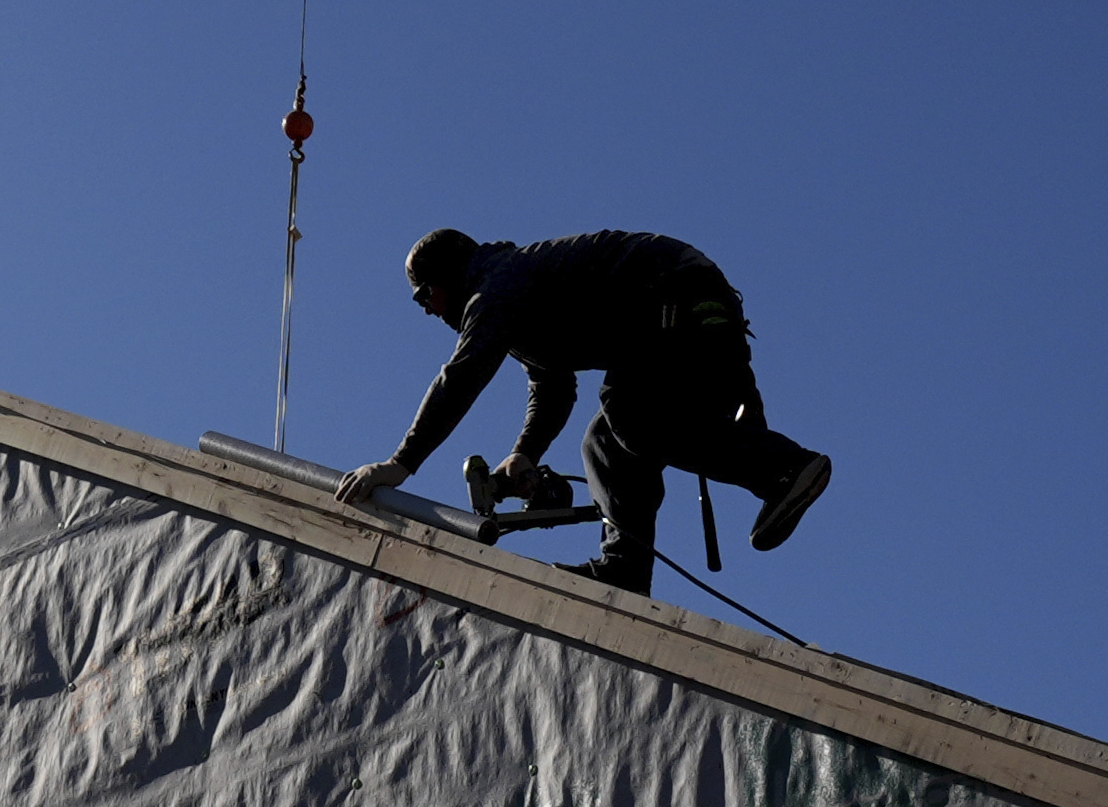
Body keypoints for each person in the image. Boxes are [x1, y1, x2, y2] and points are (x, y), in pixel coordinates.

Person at [337, 228, 831, 595]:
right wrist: (524, 453)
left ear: (446, 277)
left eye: (424, 294)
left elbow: (462, 375)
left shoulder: (496, 288)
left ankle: (782, 469)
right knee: (605, 443)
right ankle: (624, 575)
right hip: (690, 315)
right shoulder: (518, 296)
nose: (425, 308)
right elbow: (552, 389)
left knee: (628, 409)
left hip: (681, 301)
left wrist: (400, 462)